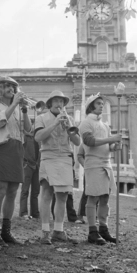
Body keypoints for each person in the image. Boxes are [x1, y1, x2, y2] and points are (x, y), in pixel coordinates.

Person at [0, 76, 32, 246]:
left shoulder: (19, 108)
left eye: (13, 87)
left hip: (17, 147)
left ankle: (6, 231)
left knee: (13, 191)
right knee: (1, 189)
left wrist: (25, 110)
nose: (11, 89)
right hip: (3, 146)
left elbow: (28, 130)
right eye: (7, 86)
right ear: (0, 89)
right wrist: (14, 105)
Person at [34, 90, 80, 245]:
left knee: (63, 196)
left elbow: (77, 142)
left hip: (65, 157)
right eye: (56, 101)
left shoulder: (70, 118)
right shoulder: (41, 118)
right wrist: (55, 123)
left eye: (62, 101)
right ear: (50, 103)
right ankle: (45, 232)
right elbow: (38, 138)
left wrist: (68, 127)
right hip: (48, 156)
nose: (59, 104)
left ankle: (58, 231)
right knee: (46, 194)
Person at [79, 92, 122, 245]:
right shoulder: (85, 123)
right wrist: (111, 139)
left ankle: (103, 229)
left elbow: (109, 146)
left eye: (102, 104)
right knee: (93, 197)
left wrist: (116, 145)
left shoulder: (105, 125)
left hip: (106, 164)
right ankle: (92, 231)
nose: (101, 106)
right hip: (93, 164)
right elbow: (89, 141)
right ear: (91, 106)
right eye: (98, 104)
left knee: (105, 197)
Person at [19, 124, 40, 220]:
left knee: (36, 191)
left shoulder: (39, 138)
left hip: (37, 166)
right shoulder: (25, 137)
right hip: (28, 165)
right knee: (25, 190)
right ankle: (23, 212)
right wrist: (24, 162)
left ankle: (35, 213)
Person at [77, 143, 98, 224]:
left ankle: (95, 217)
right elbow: (80, 156)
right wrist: (86, 165)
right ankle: (80, 216)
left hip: (101, 169)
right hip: (89, 170)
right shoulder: (84, 143)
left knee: (99, 193)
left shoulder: (102, 141)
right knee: (87, 192)